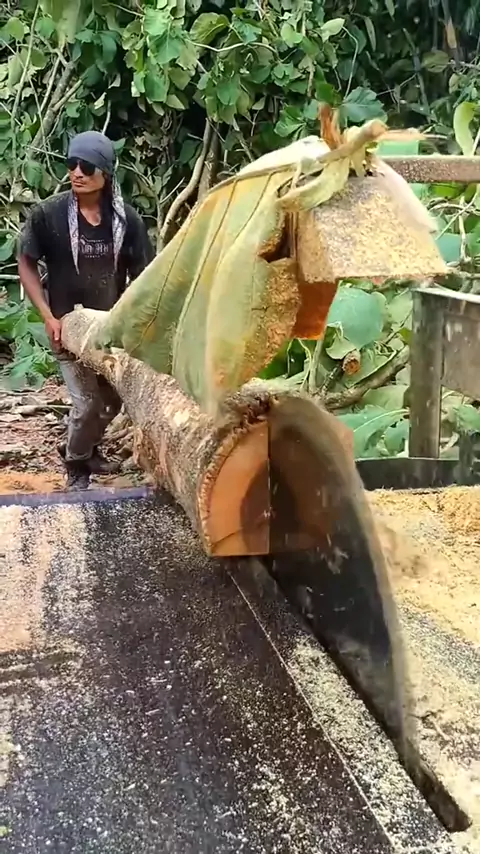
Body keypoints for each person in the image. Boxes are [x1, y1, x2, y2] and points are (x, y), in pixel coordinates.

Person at [18, 130, 155, 490]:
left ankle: (84, 447)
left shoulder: (126, 221)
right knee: (88, 404)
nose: (77, 172)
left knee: (111, 401)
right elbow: (26, 262)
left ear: (105, 173)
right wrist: (48, 316)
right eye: (72, 164)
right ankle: (76, 464)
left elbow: (144, 277)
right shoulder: (48, 215)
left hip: (108, 329)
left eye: (87, 166)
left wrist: (136, 322)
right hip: (65, 327)